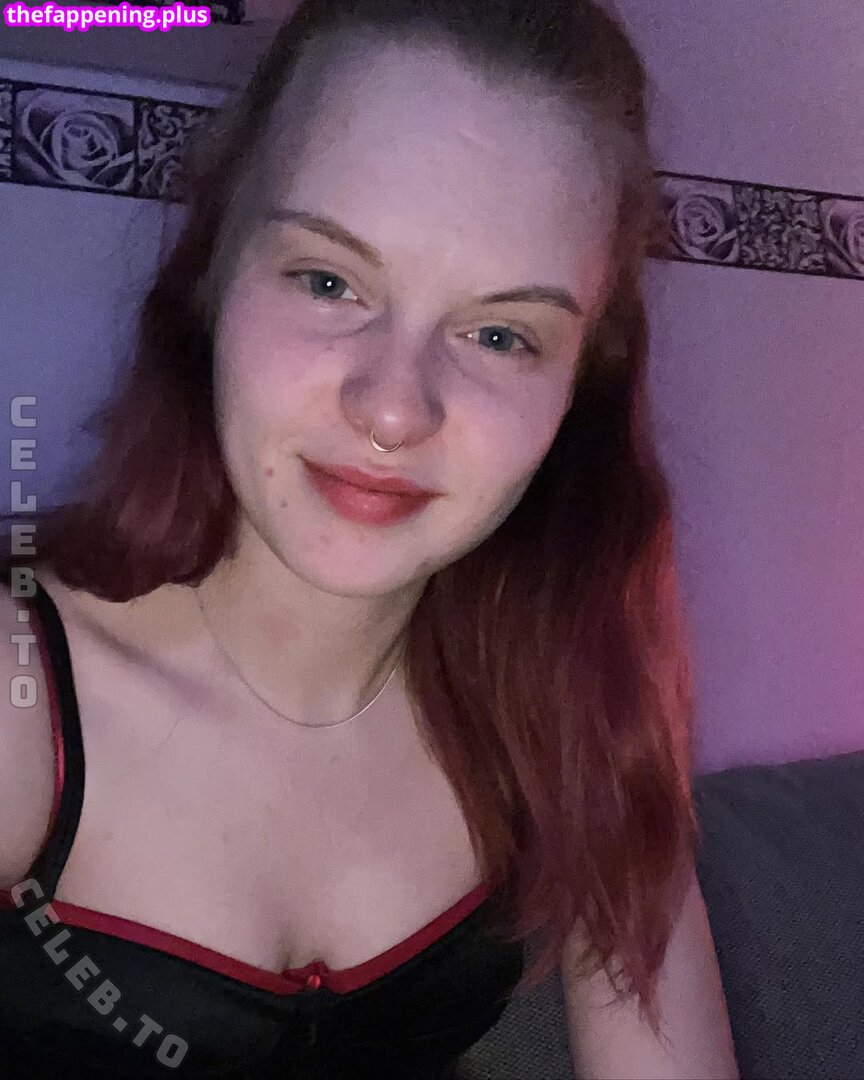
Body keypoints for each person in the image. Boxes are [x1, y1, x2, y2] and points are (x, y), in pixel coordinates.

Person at [0, 0, 740, 1076]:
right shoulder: (20, 698)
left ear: (579, 386)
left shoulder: (578, 705)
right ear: (215, 269)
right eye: (328, 281)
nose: (394, 409)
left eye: (500, 334)